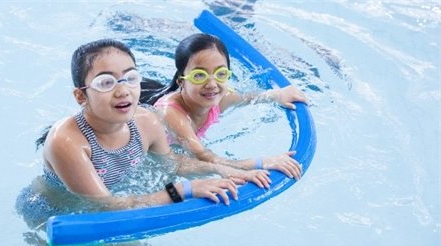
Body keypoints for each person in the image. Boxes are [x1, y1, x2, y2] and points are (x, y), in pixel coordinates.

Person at [17, 39, 274, 226]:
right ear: (80, 95)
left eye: (130, 77)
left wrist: (221, 169)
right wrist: (183, 191)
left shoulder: (146, 120)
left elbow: (171, 163)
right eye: (106, 82)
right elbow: (104, 206)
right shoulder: (67, 141)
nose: (123, 91)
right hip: (53, 215)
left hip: (112, 202)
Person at [152, 33, 308, 180]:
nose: (212, 85)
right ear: (181, 81)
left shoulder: (222, 98)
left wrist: (277, 95)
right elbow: (205, 157)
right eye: (199, 75)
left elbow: (248, 98)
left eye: (220, 74)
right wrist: (262, 162)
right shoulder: (170, 114)